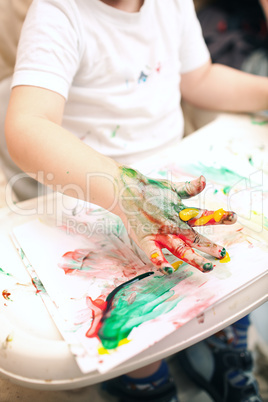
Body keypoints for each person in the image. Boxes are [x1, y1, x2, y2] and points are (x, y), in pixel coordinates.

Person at [4, 0, 268, 401]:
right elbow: (27, 125)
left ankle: (221, 347)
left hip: (174, 182)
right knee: (133, 322)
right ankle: (145, 379)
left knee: (230, 255)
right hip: (96, 194)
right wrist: (125, 190)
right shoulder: (58, 11)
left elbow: (199, 78)